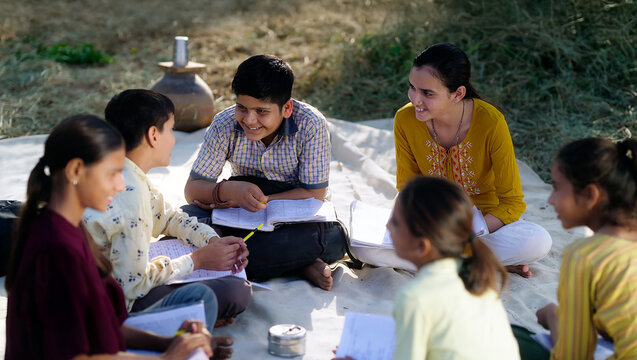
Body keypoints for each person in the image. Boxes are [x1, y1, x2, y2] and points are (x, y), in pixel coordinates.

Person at [5, 115, 232, 359]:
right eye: (113, 173)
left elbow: (104, 328)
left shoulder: (71, 228)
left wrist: (169, 344)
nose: (121, 185)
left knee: (200, 301)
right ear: (76, 171)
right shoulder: (55, 248)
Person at [83, 89, 252, 326]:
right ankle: (173, 320)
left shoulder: (119, 170)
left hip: (103, 284)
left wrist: (212, 242)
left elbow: (169, 217)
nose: (174, 139)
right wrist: (196, 261)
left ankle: (191, 311)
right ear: (153, 135)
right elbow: (132, 287)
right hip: (104, 306)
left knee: (199, 233)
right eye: (171, 130)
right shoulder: (130, 196)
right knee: (237, 291)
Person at [183, 54, 346, 290]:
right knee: (187, 217)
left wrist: (262, 200)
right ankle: (298, 262)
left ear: (287, 108)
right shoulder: (224, 124)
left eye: (261, 111)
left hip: (294, 215)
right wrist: (227, 190)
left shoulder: (311, 124)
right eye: (242, 108)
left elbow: (314, 194)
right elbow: (192, 190)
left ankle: (260, 260)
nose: (249, 120)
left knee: (332, 238)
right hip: (238, 210)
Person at [393, 42, 552, 278]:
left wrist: (468, 233)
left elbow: (512, 203)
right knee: (363, 247)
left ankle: (447, 259)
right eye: (412, 88)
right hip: (433, 223)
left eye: (427, 93)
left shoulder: (491, 122)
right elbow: (407, 187)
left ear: (458, 93)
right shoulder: (404, 120)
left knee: (538, 241)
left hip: (484, 225)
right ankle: (482, 260)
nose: (415, 99)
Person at [531, 138, 637, 359]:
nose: (550, 200)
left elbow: (573, 354)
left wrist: (553, 316)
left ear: (590, 195)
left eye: (557, 188)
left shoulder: (585, 256)